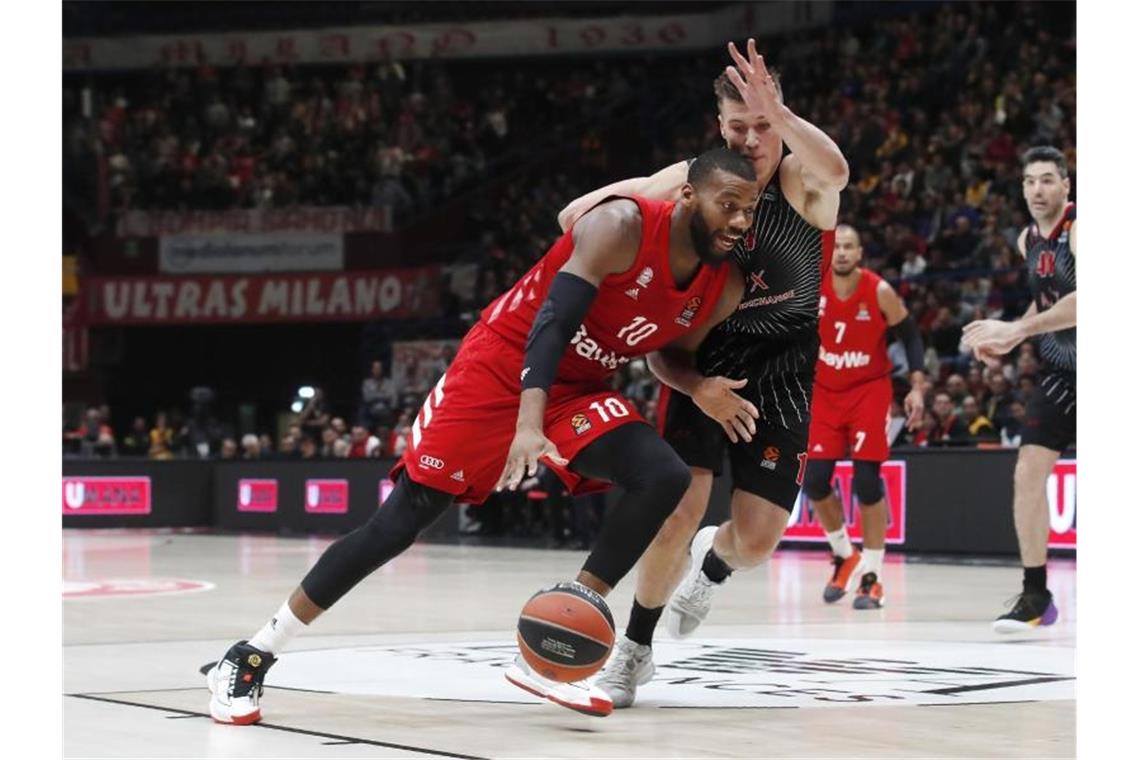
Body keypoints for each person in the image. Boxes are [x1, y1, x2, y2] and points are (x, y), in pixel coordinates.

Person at [205, 147, 759, 723]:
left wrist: (696, 385)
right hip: (501, 367)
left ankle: (561, 628)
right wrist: (526, 421)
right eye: (728, 205)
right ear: (689, 196)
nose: (740, 221)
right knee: (403, 520)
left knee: (662, 474)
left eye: (748, 209)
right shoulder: (619, 225)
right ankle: (252, 653)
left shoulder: (720, 285)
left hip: (579, 387)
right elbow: (551, 324)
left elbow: (665, 358)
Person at [558, 40, 848, 708]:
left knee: (755, 540)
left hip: (781, 368)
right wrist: (696, 386)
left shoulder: (802, 183)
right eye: (738, 125)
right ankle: (634, 651)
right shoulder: (689, 183)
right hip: (699, 361)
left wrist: (779, 109)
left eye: (763, 125)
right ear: (719, 126)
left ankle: (714, 568)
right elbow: (576, 216)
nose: (751, 139)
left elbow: (837, 168)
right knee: (673, 515)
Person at [963, 145, 1075, 632]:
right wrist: (1009, 333)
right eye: (1030, 180)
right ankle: (1035, 597)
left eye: (1048, 180)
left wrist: (1018, 332)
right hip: (1061, 373)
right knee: (1028, 472)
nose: (1037, 189)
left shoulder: (1081, 229)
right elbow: (1047, 303)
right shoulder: (1028, 239)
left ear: (1066, 186)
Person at [803, 225, 927, 610]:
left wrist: (918, 388)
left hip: (868, 392)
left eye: (848, 246)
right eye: (836, 246)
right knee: (815, 480)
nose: (840, 252)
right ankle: (844, 554)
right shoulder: (812, 286)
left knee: (868, 482)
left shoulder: (878, 291)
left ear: (860, 253)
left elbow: (911, 337)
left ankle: (872, 576)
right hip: (824, 392)